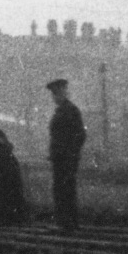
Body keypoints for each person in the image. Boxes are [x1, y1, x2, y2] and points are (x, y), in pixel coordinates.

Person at [46, 78, 86, 232]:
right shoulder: (62, 110)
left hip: (66, 158)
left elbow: (80, 135)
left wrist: (69, 153)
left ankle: (67, 223)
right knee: (62, 189)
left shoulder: (70, 110)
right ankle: (65, 222)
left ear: (64, 92)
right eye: (54, 94)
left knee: (65, 189)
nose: (55, 97)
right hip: (60, 157)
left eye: (57, 93)